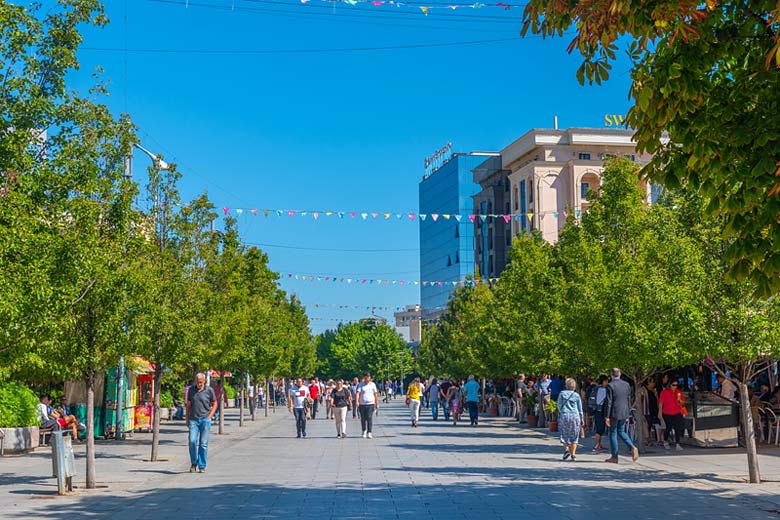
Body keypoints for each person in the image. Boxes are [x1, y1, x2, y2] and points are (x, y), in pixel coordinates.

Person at [603, 368, 639, 464]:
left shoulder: (610, 386)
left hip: (614, 412)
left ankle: (614, 456)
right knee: (621, 431)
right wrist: (628, 413)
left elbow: (609, 402)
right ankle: (632, 446)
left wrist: (607, 416)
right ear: (620, 374)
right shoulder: (626, 385)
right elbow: (628, 399)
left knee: (613, 433)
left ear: (611, 375)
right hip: (624, 411)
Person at [186, 373, 218, 473]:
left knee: (203, 444)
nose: (199, 384)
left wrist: (210, 416)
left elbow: (214, 403)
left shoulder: (209, 390)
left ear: (204, 381)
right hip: (193, 420)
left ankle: (202, 465)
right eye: (198, 382)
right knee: (192, 441)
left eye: (201, 382)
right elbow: (188, 405)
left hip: (205, 419)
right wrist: (187, 418)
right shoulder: (191, 390)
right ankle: (193, 463)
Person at [557, 378, 584, 461]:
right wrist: (582, 418)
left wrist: (562, 411)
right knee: (574, 434)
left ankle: (566, 450)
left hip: (565, 414)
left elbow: (559, 405)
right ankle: (573, 454)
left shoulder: (562, 394)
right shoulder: (576, 395)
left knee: (564, 433)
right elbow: (580, 408)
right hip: (575, 415)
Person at [658, 380, 687, 451]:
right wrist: (660, 412)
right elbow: (661, 403)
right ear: (669, 385)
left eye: (676, 385)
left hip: (677, 412)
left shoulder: (678, 392)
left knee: (678, 427)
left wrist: (680, 400)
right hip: (667, 412)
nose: (675, 387)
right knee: (668, 427)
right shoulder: (664, 392)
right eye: (673, 385)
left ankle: (677, 443)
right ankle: (665, 441)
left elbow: (683, 403)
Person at [357, 373, 379, 438]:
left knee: (369, 417)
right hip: (362, 404)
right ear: (364, 377)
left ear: (370, 378)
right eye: (366, 377)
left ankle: (369, 432)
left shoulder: (373, 385)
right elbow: (358, 393)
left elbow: (375, 394)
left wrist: (377, 403)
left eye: (368, 377)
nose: (367, 378)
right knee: (363, 418)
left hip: (370, 404)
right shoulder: (361, 384)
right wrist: (357, 401)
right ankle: (364, 430)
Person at [591, 375, 609, 452]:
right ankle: (596, 445)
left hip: (596, 409)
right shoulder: (604, 390)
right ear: (604, 381)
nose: (608, 382)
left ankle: (599, 444)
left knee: (599, 427)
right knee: (600, 429)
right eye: (607, 381)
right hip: (601, 410)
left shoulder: (596, 389)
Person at [642, 378, 661, 446]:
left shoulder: (654, 391)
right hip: (646, 410)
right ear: (648, 383)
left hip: (654, 410)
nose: (653, 384)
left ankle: (655, 438)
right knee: (647, 425)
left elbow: (658, 401)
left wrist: (656, 395)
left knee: (654, 424)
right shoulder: (643, 390)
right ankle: (646, 439)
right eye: (652, 382)